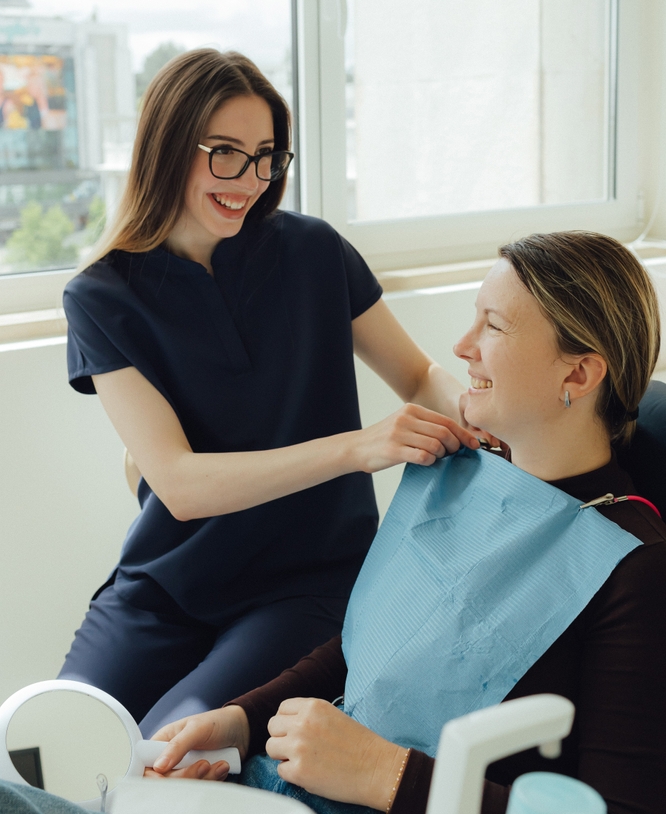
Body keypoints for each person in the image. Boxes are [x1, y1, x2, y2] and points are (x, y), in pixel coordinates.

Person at [138, 231, 666, 814]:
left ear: (578, 375)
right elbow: (373, 648)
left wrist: (383, 773)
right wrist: (242, 721)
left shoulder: (635, 571)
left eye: (493, 326)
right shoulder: (466, 473)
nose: (462, 347)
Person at [59, 48, 484, 737]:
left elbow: (416, 376)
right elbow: (180, 485)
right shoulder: (100, 295)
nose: (250, 180)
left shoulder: (315, 251)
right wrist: (357, 448)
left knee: (158, 755)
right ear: (168, 147)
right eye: (225, 153)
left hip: (304, 585)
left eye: (265, 156)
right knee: (47, 746)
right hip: (163, 586)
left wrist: (489, 421)